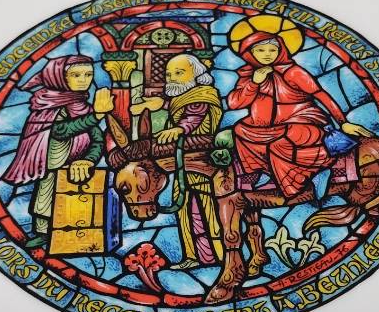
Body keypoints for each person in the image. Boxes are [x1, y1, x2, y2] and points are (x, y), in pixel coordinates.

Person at [3, 55, 113, 248]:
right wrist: (96, 115)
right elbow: (60, 130)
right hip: (53, 165)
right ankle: (43, 233)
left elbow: (97, 140)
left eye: (88, 75)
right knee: (45, 200)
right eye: (76, 75)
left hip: (78, 167)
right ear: (59, 77)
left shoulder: (83, 107)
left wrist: (88, 160)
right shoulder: (47, 104)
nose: (84, 80)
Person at [228, 31, 348, 200]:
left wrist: (342, 122)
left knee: (280, 142)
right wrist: (254, 83)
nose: (267, 54)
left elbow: (321, 95)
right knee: (240, 130)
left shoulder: (293, 72)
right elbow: (235, 103)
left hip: (304, 122)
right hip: (269, 127)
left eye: (272, 50)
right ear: (250, 53)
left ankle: (316, 172)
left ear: (281, 50)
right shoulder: (249, 75)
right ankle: (266, 172)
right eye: (260, 50)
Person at [144, 53, 224, 270]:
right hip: (182, 164)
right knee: (184, 212)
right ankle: (191, 255)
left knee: (207, 210)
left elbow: (193, 117)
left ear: (196, 74)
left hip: (201, 164)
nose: (172, 78)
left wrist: (179, 129)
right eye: (169, 74)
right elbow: (182, 106)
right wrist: (161, 104)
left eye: (179, 73)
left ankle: (219, 253)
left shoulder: (203, 95)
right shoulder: (183, 97)